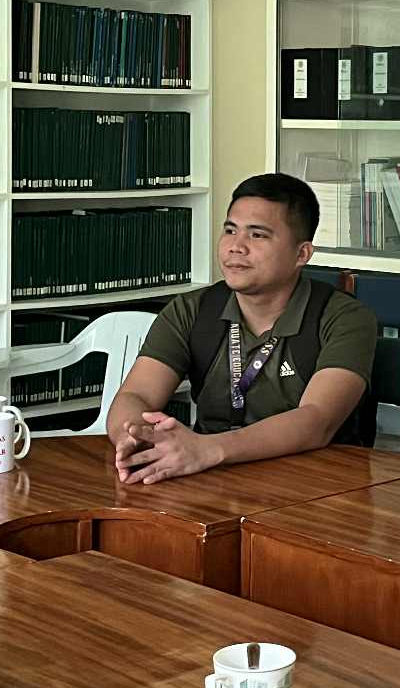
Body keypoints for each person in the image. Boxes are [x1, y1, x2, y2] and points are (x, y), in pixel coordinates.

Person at [107, 173, 375, 484]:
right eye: (230, 230)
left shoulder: (345, 318)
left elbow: (317, 420)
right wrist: (135, 437)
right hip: (210, 480)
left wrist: (209, 449)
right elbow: (135, 394)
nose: (236, 246)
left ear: (301, 254)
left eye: (257, 235)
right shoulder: (191, 310)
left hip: (316, 486)